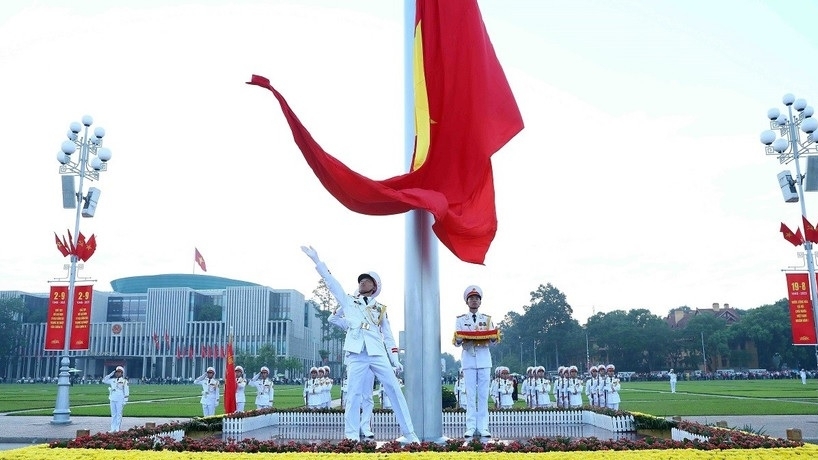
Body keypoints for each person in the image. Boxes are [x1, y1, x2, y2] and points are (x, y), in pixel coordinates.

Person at [301, 244, 419, 444]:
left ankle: (410, 434)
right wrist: (317, 261)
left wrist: (395, 359)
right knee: (354, 393)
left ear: (375, 287)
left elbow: (388, 336)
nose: (362, 282)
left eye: (367, 280)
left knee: (394, 389)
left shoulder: (380, 308)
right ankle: (351, 436)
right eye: (361, 280)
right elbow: (332, 283)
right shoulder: (349, 302)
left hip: (377, 352)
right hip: (356, 353)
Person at [453, 285, 499, 438]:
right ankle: (471, 427)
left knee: (483, 395)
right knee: (471, 395)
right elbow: (457, 342)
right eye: (471, 298)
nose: (474, 301)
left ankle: (483, 426)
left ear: (480, 302)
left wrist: (493, 337)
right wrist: (459, 339)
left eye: (477, 298)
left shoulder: (487, 319)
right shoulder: (460, 320)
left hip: (484, 359)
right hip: (469, 359)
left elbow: (493, 342)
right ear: (467, 301)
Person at [101, 365, 129, 432]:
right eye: (116, 372)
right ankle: (112, 428)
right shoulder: (112, 380)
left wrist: (125, 400)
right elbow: (104, 380)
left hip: (120, 399)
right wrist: (110, 374)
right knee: (113, 414)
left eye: (119, 372)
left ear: (122, 373)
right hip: (112, 398)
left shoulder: (124, 381)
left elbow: (126, 391)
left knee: (119, 414)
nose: (117, 373)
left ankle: (117, 428)